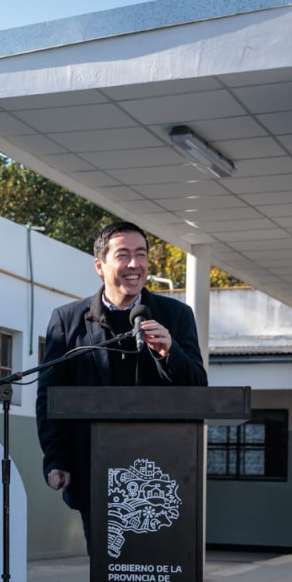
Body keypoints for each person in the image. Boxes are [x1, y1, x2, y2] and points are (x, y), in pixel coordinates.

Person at [35, 221, 208, 547]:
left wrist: (171, 352)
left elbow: (199, 388)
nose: (134, 265)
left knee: (158, 580)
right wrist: (56, 459)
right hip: (95, 473)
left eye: (141, 255)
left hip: (162, 478)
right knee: (109, 578)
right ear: (100, 266)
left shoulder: (177, 316)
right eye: (123, 255)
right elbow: (50, 398)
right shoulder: (68, 320)